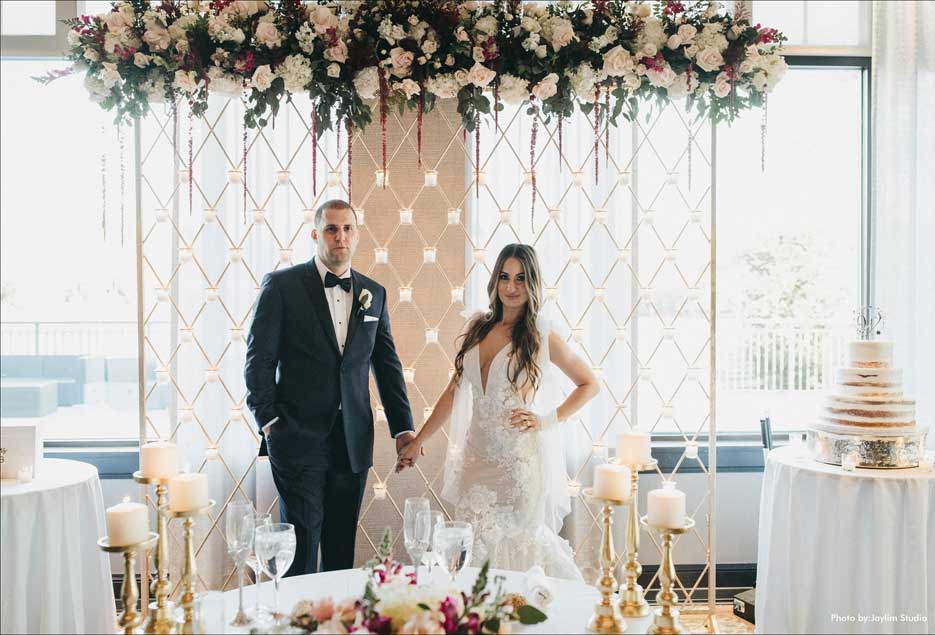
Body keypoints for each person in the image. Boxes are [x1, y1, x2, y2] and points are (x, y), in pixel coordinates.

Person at [396, 243, 598, 579]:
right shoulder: (478, 328)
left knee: (516, 549)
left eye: (521, 278)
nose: (511, 286)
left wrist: (545, 420)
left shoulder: (539, 336)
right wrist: (418, 440)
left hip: (516, 468)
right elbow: (452, 392)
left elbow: (589, 383)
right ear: (495, 280)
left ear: (532, 283)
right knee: (473, 550)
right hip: (475, 464)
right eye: (505, 277)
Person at [246, 199, 417, 576]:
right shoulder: (282, 286)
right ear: (315, 235)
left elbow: (386, 366)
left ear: (356, 235)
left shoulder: (375, 293)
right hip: (296, 439)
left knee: (341, 552)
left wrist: (403, 429)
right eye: (331, 229)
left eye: (347, 229)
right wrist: (270, 422)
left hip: (352, 443)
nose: (340, 237)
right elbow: (259, 360)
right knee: (302, 549)